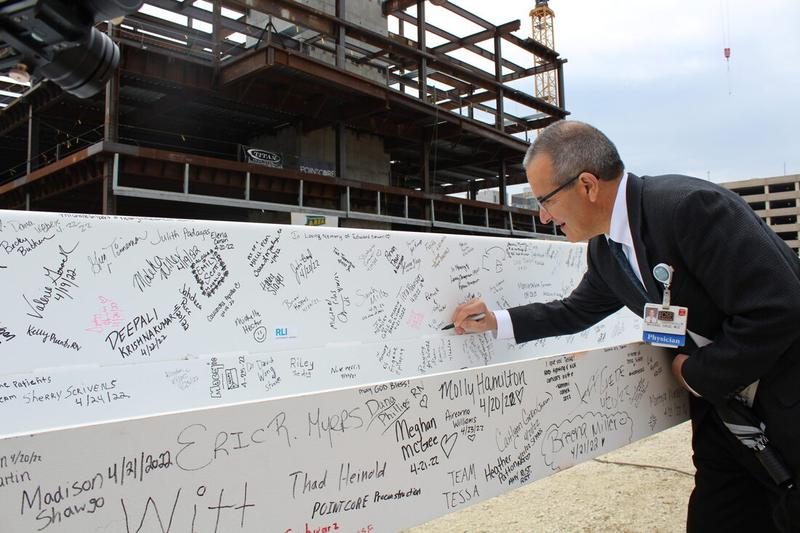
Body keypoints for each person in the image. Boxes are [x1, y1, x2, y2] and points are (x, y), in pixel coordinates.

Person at [451, 121, 800, 531]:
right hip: (724, 423)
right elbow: (575, 311)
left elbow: (782, 306)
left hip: (785, 401)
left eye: (544, 200)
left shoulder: (690, 208)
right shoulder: (607, 249)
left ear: (587, 186)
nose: (543, 217)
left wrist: (696, 374)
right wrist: (495, 322)